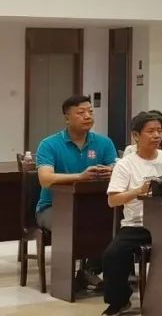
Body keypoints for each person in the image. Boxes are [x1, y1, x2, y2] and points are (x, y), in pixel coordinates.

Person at [101, 111, 162, 316]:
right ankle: (119, 301)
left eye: (160, 131)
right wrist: (139, 191)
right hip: (138, 225)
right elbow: (113, 200)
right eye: (151, 131)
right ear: (136, 135)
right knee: (113, 254)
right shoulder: (125, 164)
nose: (157, 135)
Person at [36, 95, 118, 232]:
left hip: (95, 203)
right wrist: (80, 177)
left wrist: (111, 171)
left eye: (90, 112)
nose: (87, 116)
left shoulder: (104, 142)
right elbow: (45, 179)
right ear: (67, 118)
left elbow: (116, 168)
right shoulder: (49, 144)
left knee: (117, 222)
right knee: (77, 224)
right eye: (81, 113)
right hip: (54, 207)